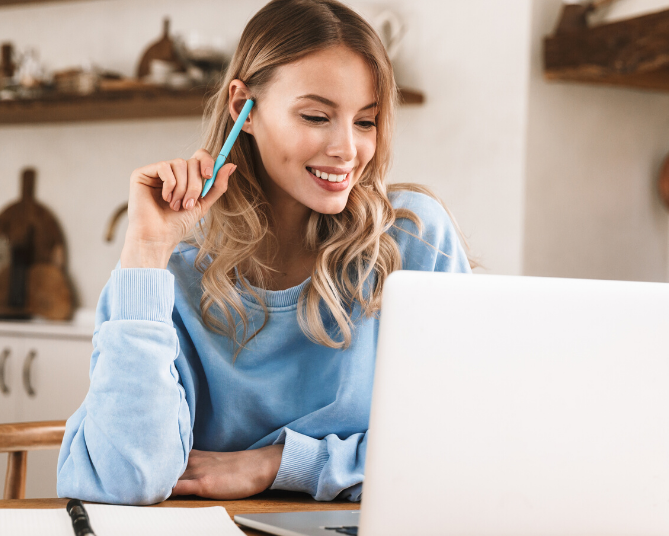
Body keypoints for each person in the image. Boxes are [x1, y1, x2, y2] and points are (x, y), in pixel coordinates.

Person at [56, 0, 471, 505]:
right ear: (242, 108)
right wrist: (145, 253)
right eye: (317, 116)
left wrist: (276, 464)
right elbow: (126, 478)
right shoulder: (173, 267)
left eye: (366, 121)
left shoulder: (413, 237)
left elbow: (458, 447)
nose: (347, 149)